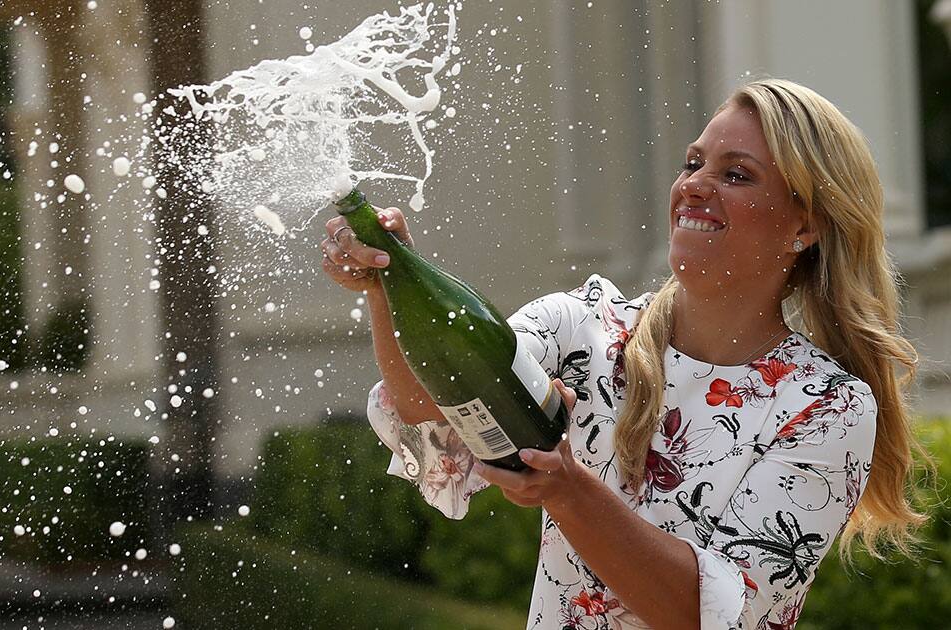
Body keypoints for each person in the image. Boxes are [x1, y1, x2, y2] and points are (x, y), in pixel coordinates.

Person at [320, 79, 930, 630]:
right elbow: (436, 414)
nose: (693, 185)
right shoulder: (581, 326)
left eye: (736, 174)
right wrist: (390, 283)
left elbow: (712, 618)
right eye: (693, 163)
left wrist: (568, 491)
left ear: (805, 225)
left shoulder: (828, 407)